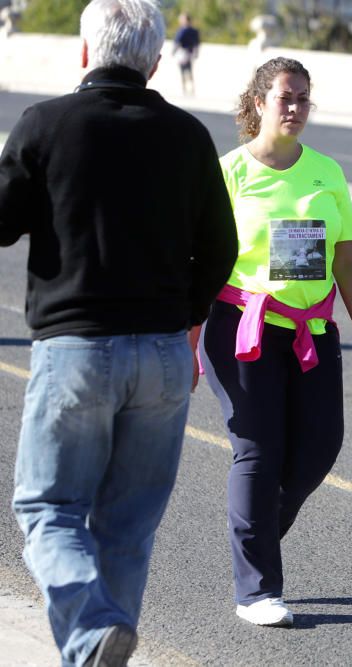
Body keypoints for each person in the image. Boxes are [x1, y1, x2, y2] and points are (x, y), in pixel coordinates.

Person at [0, 0, 238, 664]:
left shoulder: (46, 125)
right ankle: (100, 642)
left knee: (48, 510)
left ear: (83, 52)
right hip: (162, 352)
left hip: (77, 345)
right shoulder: (188, 136)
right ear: (156, 61)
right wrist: (184, 314)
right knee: (128, 528)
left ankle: (92, 618)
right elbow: (221, 247)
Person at [201, 56, 352, 628]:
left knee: (319, 448)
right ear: (259, 104)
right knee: (258, 451)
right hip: (242, 330)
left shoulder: (327, 172)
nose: (296, 108)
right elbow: (198, 262)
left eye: (304, 98)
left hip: (312, 333)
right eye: (286, 97)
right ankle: (257, 591)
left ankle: (252, 530)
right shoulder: (229, 173)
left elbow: (348, 262)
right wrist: (182, 339)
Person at [172, 12, 199, 96]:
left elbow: (178, 42)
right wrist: (196, 52)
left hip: (184, 52)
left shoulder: (183, 31)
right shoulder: (192, 30)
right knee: (188, 71)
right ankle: (189, 89)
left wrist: (174, 51)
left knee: (185, 71)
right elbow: (197, 43)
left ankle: (187, 89)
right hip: (188, 53)